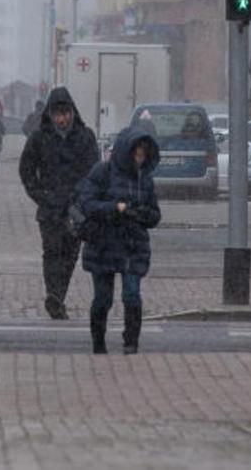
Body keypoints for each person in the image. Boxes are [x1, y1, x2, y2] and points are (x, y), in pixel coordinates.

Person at [77, 127, 161, 355]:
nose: (140, 158)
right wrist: (116, 208)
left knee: (132, 294)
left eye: (144, 154)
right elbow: (88, 204)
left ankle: (131, 341)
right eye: (137, 153)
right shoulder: (102, 172)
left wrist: (140, 213)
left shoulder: (146, 180)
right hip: (104, 243)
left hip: (133, 245)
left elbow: (155, 215)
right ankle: (98, 341)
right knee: (103, 298)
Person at [19, 88, 100, 320]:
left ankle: (58, 296)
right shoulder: (39, 138)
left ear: (72, 113)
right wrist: (39, 194)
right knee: (52, 252)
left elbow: (94, 171)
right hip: (50, 208)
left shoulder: (85, 137)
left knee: (70, 254)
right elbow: (26, 169)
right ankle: (53, 295)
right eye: (57, 114)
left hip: (76, 208)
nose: (62, 119)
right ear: (50, 114)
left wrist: (83, 195)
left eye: (65, 113)